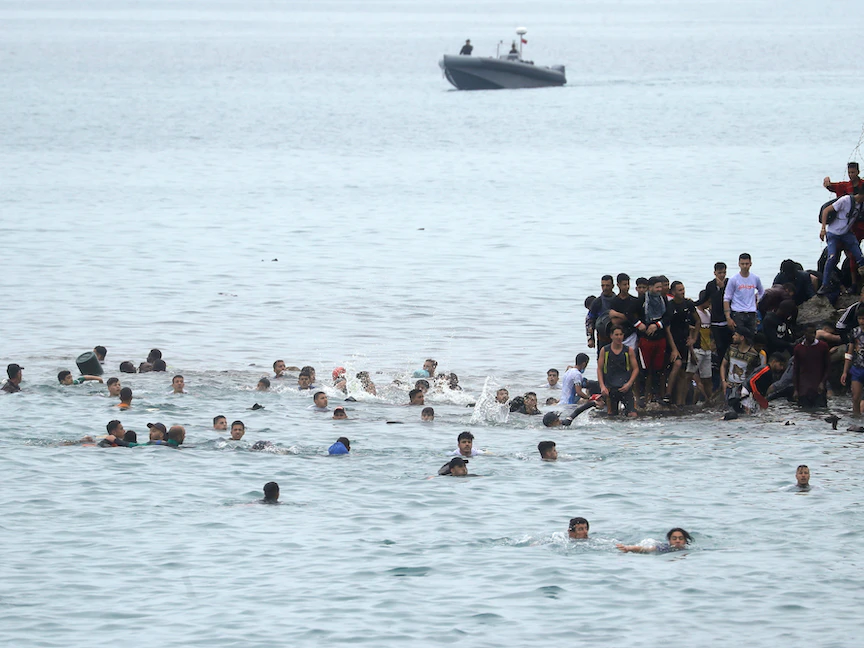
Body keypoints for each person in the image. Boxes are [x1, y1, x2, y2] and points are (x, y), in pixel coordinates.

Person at [818, 188, 864, 295]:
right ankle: (825, 285)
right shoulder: (845, 200)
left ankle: (858, 282)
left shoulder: (861, 205)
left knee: (859, 257)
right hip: (833, 233)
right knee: (832, 258)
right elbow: (826, 211)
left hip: (846, 233)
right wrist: (823, 229)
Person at [636, 277, 668, 403]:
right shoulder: (642, 300)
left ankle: (656, 395)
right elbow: (630, 314)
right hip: (646, 339)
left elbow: (668, 316)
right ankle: (642, 395)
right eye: (657, 287)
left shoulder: (663, 299)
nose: (660, 289)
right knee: (644, 369)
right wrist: (640, 325)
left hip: (660, 338)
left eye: (661, 287)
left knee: (658, 369)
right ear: (650, 288)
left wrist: (657, 325)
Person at [664, 281, 697, 405]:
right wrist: (673, 348)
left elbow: (697, 321)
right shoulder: (670, 306)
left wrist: (693, 338)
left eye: (683, 289)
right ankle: (667, 395)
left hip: (684, 342)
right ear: (673, 292)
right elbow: (667, 328)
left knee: (683, 372)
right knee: (677, 364)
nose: (682, 292)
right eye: (680, 290)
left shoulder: (688, 304)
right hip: (672, 342)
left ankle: (680, 402)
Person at [597, 326, 639, 417]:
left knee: (633, 414)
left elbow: (636, 369)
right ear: (611, 336)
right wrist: (602, 386)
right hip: (610, 389)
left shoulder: (628, 350)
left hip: (625, 388)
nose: (619, 337)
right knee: (612, 416)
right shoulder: (605, 350)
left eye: (621, 334)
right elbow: (599, 369)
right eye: (616, 335)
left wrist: (629, 383)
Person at [720, 327, 760, 412]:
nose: (733, 337)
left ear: (742, 338)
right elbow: (723, 365)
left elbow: (757, 374)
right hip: (729, 387)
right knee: (727, 411)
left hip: (743, 389)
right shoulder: (731, 348)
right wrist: (723, 381)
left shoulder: (753, 355)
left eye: (735, 335)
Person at [724, 253, 764, 332]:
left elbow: (761, 291)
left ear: (750, 264)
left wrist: (757, 301)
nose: (745, 266)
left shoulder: (755, 278)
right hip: (738, 312)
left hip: (751, 312)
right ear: (739, 264)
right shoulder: (734, 279)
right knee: (739, 336)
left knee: (751, 336)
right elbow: (726, 298)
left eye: (747, 264)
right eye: (742, 264)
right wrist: (728, 317)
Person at [793, 325, 830, 407]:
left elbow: (827, 367)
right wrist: (796, 390)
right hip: (803, 390)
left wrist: (822, 383)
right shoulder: (798, 349)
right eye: (810, 333)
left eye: (814, 333)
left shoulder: (823, 346)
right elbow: (796, 370)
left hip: (818, 388)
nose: (813, 335)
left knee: (820, 411)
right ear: (805, 334)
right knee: (804, 411)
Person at [841, 311, 864, 415]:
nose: (862, 321)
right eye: (860, 319)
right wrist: (845, 372)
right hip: (857, 368)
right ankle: (856, 418)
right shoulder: (854, 332)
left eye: (863, 319)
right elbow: (849, 353)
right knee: (855, 398)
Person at [586, 275, 616, 351]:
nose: (605, 288)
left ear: (612, 286)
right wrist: (590, 339)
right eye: (603, 286)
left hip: (618, 338)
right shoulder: (597, 302)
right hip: (602, 339)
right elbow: (589, 320)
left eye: (607, 285)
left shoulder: (618, 301)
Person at [617, 528, 692, 553]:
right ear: (669, 541)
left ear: (685, 541)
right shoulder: (664, 548)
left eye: (681, 538)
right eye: (674, 539)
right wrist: (628, 548)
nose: (677, 541)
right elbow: (645, 549)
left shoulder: (689, 550)